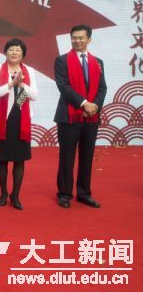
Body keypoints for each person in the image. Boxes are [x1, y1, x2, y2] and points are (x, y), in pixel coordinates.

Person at [54, 24, 107, 209]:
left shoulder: (98, 62)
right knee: (67, 156)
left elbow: (102, 88)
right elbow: (64, 87)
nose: (77, 41)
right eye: (74, 37)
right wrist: (85, 104)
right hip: (68, 116)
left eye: (81, 38)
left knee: (87, 156)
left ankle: (84, 193)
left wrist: (94, 107)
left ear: (89, 39)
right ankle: (64, 194)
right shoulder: (61, 60)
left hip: (91, 117)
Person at [0, 38, 38, 210]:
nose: (14, 52)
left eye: (18, 50)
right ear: (5, 52)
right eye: (11, 49)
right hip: (3, 120)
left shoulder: (29, 70)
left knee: (19, 159)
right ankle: (3, 193)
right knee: (2, 158)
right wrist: (11, 84)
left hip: (21, 119)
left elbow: (34, 95)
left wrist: (21, 83)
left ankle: (15, 195)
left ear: (23, 54)